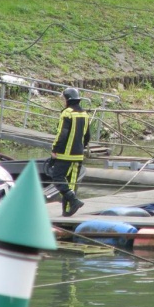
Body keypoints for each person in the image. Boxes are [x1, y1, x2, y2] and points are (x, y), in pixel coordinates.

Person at [51, 87, 90, 217]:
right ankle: (67, 211)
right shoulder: (84, 114)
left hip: (65, 154)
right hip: (78, 154)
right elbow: (87, 136)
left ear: (68, 99)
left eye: (64, 99)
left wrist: (55, 149)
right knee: (71, 182)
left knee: (57, 178)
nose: (63, 101)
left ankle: (73, 201)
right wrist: (80, 147)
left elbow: (62, 134)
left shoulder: (67, 113)